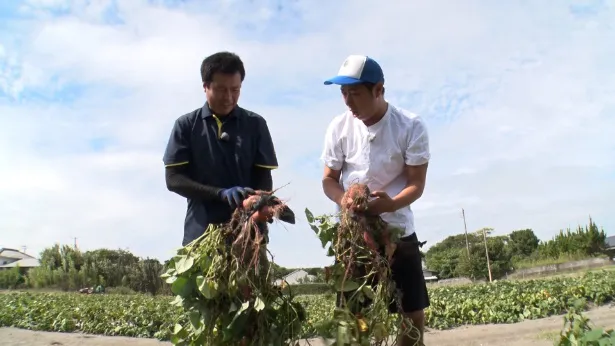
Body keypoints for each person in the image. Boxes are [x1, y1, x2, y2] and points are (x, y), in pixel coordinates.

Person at [320, 55, 430, 345]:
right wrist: (344, 199)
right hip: (355, 237)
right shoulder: (339, 127)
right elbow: (328, 179)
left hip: (398, 230)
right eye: (343, 93)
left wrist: (390, 204)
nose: (347, 101)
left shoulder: (410, 126)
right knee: (353, 318)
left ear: (378, 90)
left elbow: (416, 185)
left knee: (412, 315)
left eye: (354, 93)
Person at [163, 51, 279, 247]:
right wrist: (219, 193)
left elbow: (263, 176)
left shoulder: (255, 124)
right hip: (200, 234)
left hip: (247, 235)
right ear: (205, 87)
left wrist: (259, 201)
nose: (228, 97)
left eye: (235, 90)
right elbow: (174, 179)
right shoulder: (186, 125)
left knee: (248, 277)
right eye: (221, 89)